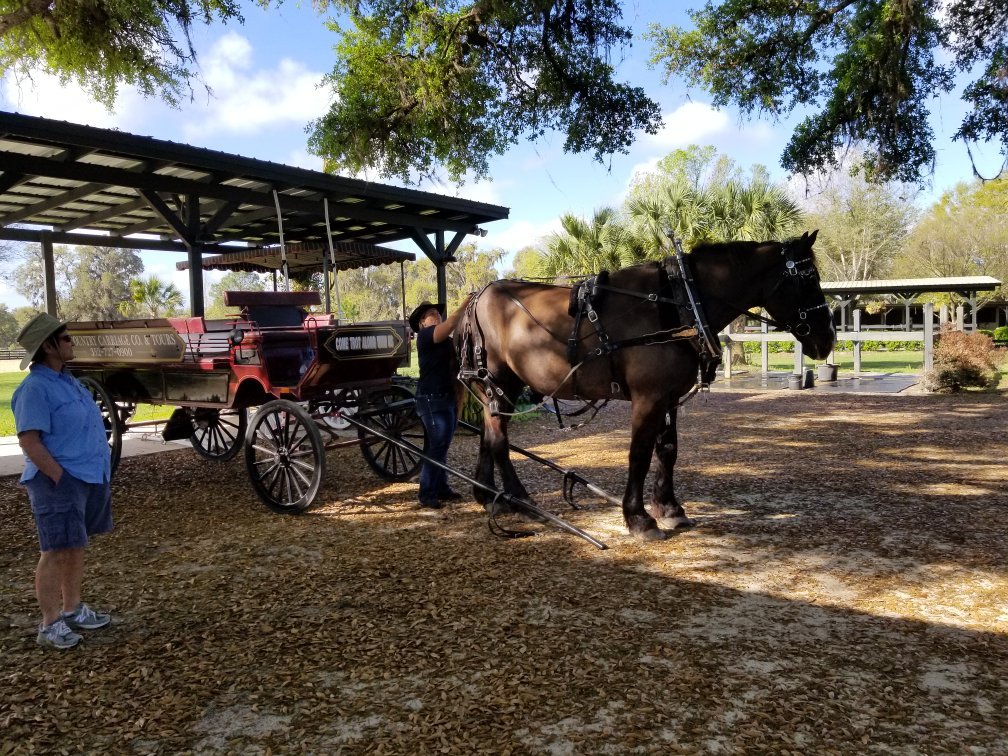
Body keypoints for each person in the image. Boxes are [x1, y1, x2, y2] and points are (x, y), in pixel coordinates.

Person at [11, 313, 113, 650]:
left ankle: (72, 608)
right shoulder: (35, 388)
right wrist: (59, 477)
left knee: (75, 544)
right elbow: (29, 440)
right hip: (58, 480)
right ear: (49, 346)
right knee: (54, 550)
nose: (71, 341)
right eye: (65, 338)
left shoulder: (68, 380)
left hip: (85, 475)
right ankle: (49, 623)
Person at [408, 297, 472, 509]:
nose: (437, 316)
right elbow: (450, 324)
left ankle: (441, 487)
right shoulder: (426, 336)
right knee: (437, 446)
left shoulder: (444, 341)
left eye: (438, 313)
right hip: (431, 399)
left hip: (445, 397)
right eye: (431, 314)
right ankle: (426, 493)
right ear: (422, 323)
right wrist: (464, 304)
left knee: (441, 445)